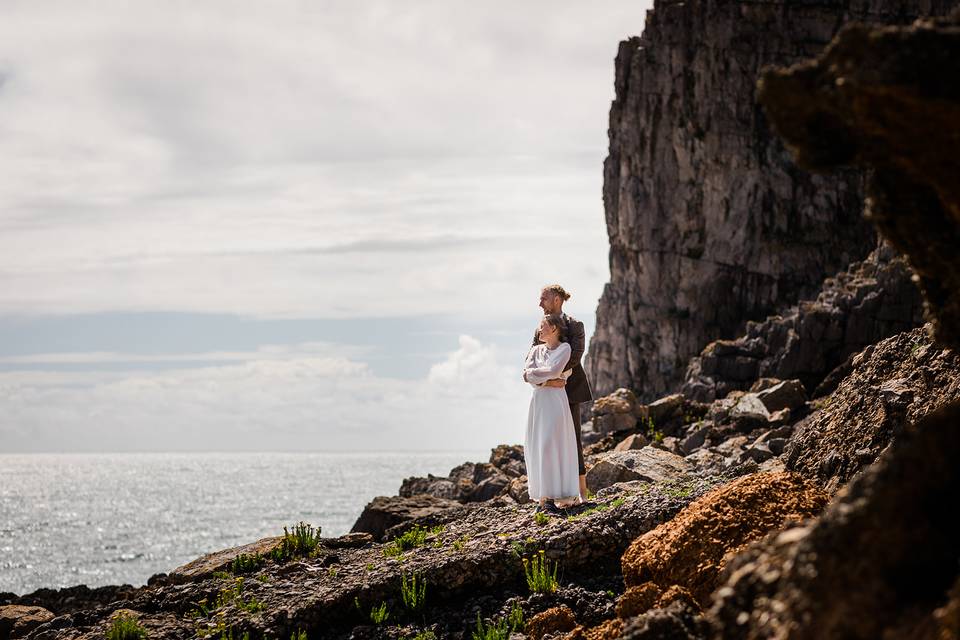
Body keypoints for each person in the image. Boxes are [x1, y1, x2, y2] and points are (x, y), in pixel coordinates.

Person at [533, 285, 594, 503]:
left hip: (570, 390)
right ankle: (551, 492)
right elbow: (534, 356)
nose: (540, 303)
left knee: (572, 439)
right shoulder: (540, 327)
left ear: (557, 300)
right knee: (547, 440)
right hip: (547, 391)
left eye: (544, 299)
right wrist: (548, 380)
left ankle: (581, 492)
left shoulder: (575, 324)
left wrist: (559, 374)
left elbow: (576, 355)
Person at [522, 314, 581, 514]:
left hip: (555, 403)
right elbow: (526, 374)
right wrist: (547, 381)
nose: (539, 330)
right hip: (539, 402)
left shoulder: (565, 348)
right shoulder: (536, 350)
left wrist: (541, 375)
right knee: (537, 446)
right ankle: (545, 499)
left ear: (554, 328)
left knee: (551, 444)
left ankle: (553, 496)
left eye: (542, 326)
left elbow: (556, 370)